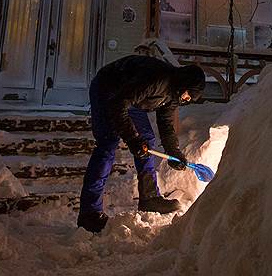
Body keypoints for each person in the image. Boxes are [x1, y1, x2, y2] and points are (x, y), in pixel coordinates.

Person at [77, 55, 206, 233]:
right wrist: (132, 139)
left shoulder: (173, 94)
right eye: (188, 95)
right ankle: (89, 212)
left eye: (190, 98)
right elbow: (118, 104)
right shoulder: (157, 80)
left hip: (130, 96)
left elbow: (166, 124)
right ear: (183, 84)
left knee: (147, 139)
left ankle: (149, 197)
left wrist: (173, 153)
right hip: (108, 89)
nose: (187, 99)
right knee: (108, 144)